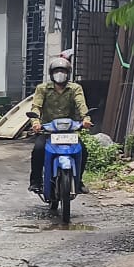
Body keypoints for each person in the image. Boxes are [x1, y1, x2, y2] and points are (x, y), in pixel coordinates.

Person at [28, 55, 91, 194]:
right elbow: (36, 106)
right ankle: (36, 182)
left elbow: (81, 104)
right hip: (47, 131)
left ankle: (78, 181)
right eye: (57, 71)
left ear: (68, 74)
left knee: (83, 151)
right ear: (51, 74)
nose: (60, 74)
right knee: (38, 150)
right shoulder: (42, 88)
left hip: (69, 132)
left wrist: (85, 119)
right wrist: (36, 122)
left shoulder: (75, 88)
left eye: (63, 71)